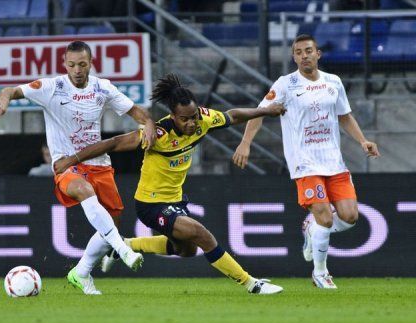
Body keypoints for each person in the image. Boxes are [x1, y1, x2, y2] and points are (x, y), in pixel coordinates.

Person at [55, 73, 286, 294]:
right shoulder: (158, 133)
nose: (191, 123)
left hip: (175, 199)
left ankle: (125, 245)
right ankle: (251, 283)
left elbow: (232, 115)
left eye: (193, 116)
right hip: (150, 204)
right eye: (184, 119)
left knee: (185, 249)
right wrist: (72, 160)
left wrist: (265, 111)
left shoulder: (204, 119)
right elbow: (114, 143)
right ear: (173, 116)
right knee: (200, 233)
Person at [0, 40, 157, 295]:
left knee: (113, 222)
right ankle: (122, 250)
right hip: (66, 164)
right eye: (72, 64)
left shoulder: (102, 87)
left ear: (91, 64)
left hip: (99, 163)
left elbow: (134, 111)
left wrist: (150, 123)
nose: (77, 69)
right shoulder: (51, 87)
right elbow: (10, 89)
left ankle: (81, 272)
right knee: (83, 190)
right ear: (64, 64)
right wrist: (3, 101)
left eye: (82, 64)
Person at [232, 34, 380, 289]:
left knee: (350, 216)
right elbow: (259, 113)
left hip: (334, 161)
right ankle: (320, 273)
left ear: (318, 54)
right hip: (305, 163)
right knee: (325, 218)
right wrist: (246, 142)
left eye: (308, 50)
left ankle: (310, 228)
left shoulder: (333, 82)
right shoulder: (286, 84)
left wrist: (362, 140)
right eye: (298, 52)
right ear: (294, 57)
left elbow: (344, 116)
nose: (304, 55)